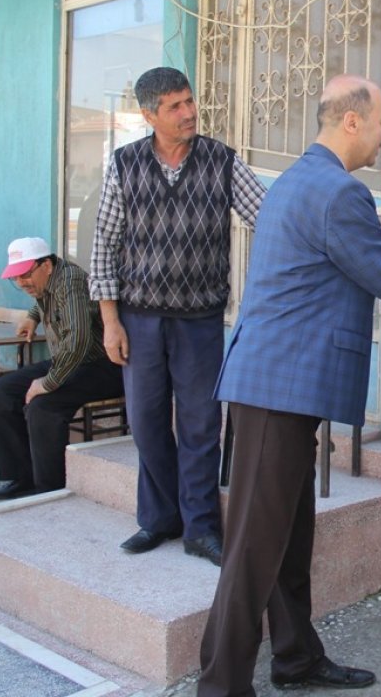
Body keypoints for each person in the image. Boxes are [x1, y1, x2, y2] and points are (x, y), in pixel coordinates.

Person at [198, 74, 381, 697]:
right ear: (351, 121)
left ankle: (296, 659)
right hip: (277, 389)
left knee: (286, 534)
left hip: (276, 386)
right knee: (253, 548)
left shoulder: (298, 179)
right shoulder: (339, 192)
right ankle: (220, 686)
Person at [89, 66, 267, 566]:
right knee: (146, 423)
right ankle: (160, 518)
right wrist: (110, 321)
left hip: (199, 319)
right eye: (175, 106)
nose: (189, 112)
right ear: (149, 115)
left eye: (189, 101)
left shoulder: (221, 160)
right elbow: (104, 244)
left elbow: (268, 215)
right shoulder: (124, 164)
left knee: (200, 425)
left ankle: (201, 528)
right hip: (138, 319)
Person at [0, 237, 124, 500]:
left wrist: (47, 382)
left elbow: (78, 340)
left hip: (103, 366)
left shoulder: (71, 283)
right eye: (16, 277)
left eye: (26, 274)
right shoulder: (48, 280)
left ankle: (50, 491)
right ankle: (21, 477)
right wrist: (32, 317)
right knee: (0, 391)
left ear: (46, 265)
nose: (22, 282)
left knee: (43, 406)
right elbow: (42, 297)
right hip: (71, 361)